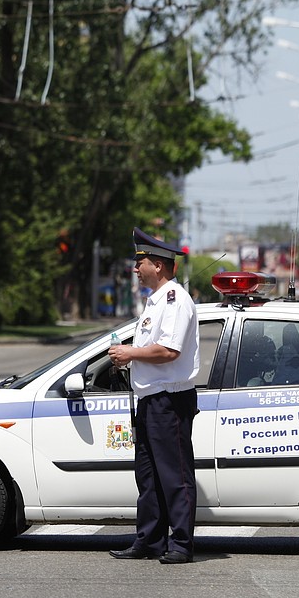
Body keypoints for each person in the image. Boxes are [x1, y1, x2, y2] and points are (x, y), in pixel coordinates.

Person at [107, 228, 200, 564]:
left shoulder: (176, 301)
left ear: (158, 265)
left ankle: (181, 544)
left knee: (174, 475)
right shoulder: (155, 302)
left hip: (169, 401)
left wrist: (130, 353)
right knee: (148, 477)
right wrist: (127, 358)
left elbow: (169, 351)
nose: (136, 268)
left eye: (140, 261)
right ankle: (149, 540)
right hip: (150, 400)